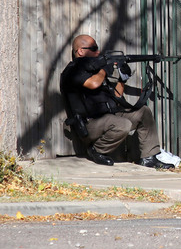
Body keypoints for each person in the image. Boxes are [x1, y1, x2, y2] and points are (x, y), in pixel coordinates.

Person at [60, 35, 174, 169]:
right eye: (94, 49)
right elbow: (93, 84)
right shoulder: (72, 71)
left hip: (109, 118)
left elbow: (116, 95)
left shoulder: (94, 71)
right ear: (80, 51)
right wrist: (104, 69)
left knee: (143, 112)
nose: (98, 52)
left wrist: (122, 79)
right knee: (123, 124)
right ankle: (97, 150)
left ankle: (149, 157)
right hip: (89, 124)